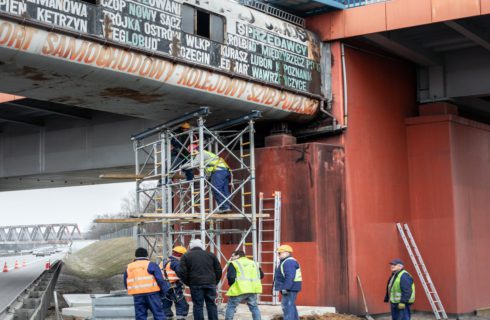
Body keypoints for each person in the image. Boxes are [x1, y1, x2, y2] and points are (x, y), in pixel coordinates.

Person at [176, 239, 222, 320]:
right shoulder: (211, 255)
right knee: (211, 304)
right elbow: (218, 270)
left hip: (195, 284)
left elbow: (181, 272)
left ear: (191, 246)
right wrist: (215, 282)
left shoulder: (186, 256)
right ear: (201, 246)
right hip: (210, 283)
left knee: (198, 305)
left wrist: (188, 282)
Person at [124, 247, 169, 320]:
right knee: (158, 314)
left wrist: (134, 291)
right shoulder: (151, 264)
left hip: (137, 295)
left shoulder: (129, 267)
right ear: (147, 256)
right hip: (152, 293)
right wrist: (164, 292)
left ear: (135, 256)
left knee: (140, 316)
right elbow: (160, 280)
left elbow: (126, 282)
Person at [186, 144, 231, 213]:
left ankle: (224, 207)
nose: (192, 155)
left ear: (195, 150)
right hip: (223, 171)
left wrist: (182, 166)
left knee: (216, 189)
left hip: (218, 171)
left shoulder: (202, 154)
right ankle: (226, 207)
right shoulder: (206, 154)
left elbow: (193, 164)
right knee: (223, 190)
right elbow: (207, 169)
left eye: (192, 152)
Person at [225, 250, 264, 320]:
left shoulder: (234, 263)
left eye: (232, 256)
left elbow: (230, 277)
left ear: (238, 256)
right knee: (254, 307)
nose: (231, 258)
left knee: (231, 306)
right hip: (252, 289)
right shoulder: (254, 263)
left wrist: (232, 286)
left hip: (239, 288)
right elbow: (261, 276)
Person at [160, 246, 189, 320]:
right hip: (174, 287)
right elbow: (181, 273)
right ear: (180, 255)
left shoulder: (163, 261)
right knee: (182, 305)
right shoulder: (175, 263)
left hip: (163, 287)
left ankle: (167, 317)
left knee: (165, 306)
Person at [274, 244, 302, 320]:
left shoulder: (288, 262)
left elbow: (290, 277)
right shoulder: (287, 261)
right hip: (290, 288)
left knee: (287, 307)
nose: (278, 255)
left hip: (289, 289)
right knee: (291, 306)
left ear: (287, 253)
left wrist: (285, 288)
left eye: (280, 253)